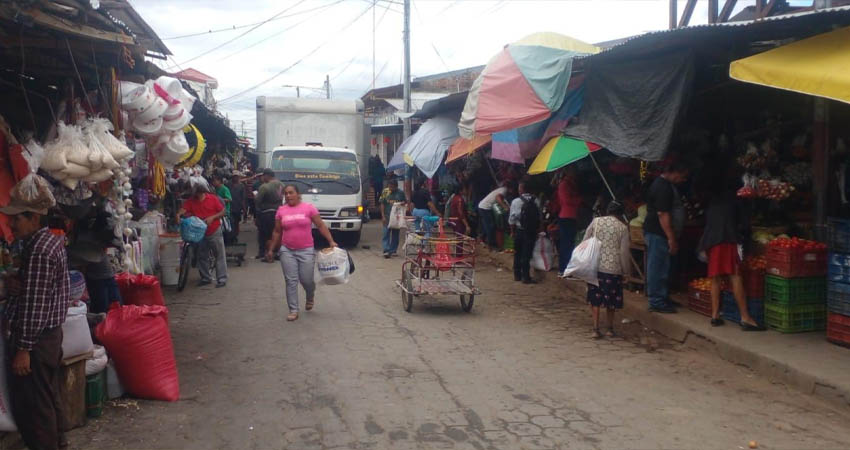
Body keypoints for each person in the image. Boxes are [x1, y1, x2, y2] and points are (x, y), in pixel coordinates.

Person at [2, 202, 70, 450]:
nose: (11, 224)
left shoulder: (40, 250)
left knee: (35, 407)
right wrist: (16, 281)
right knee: (47, 396)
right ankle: (59, 442)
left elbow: (35, 305)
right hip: (47, 337)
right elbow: (37, 291)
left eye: (17, 219)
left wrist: (23, 349)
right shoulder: (46, 243)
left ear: (33, 219)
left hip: (37, 340)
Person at [700, 179, 766, 331]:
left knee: (715, 278)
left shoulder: (714, 201)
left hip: (711, 241)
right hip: (727, 240)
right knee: (735, 276)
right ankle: (745, 317)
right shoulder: (737, 201)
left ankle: (715, 315)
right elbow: (744, 226)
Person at [266, 184, 338, 322]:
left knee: (306, 280)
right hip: (287, 250)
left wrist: (331, 241)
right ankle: (293, 310)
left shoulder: (308, 208)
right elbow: (277, 231)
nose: (288, 196)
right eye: (285, 193)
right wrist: (271, 249)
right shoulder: (281, 211)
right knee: (291, 280)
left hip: (306, 250)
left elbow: (320, 225)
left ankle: (310, 295)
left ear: (298, 194)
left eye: (291, 193)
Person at [643, 162, 689, 313]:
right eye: (682, 176)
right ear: (673, 171)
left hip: (660, 233)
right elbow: (662, 213)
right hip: (658, 233)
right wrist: (671, 237)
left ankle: (662, 297)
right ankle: (656, 300)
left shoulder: (665, 185)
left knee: (664, 267)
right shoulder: (662, 187)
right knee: (657, 267)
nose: (683, 179)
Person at [582, 201, 631, 339]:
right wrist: (626, 272)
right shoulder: (623, 228)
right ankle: (609, 329)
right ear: (621, 214)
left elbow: (585, 239)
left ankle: (595, 329)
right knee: (611, 301)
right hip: (613, 269)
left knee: (595, 299)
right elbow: (624, 253)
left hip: (595, 267)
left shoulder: (596, 222)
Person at [178, 181, 228, 288]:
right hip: (199, 233)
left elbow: (223, 211)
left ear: (203, 192)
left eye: (199, 194)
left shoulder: (213, 199)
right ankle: (206, 277)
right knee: (201, 255)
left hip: (214, 230)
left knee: (219, 254)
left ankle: (222, 278)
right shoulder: (191, 201)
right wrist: (179, 215)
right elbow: (183, 210)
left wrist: (213, 217)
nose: (197, 196)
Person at [508, 181, 540, 284]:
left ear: (522, 189)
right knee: (527, 254)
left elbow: (512, 219)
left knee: (518, 252)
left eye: (519, 187)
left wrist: (512, 231)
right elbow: (539, 217)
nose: (518, 189)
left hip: (519, 230)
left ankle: (517, 275)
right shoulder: (536, 201)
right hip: (531, 231)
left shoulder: (516, 201)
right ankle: (526, 276)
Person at [254, 169, 284, 260]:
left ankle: (265, 253)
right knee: (277, 233)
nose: (262, 178)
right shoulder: (282, 185)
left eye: (263, 176)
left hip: (266, 213)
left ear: (267, 176)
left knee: (264, 235)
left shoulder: (264, 187)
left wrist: (255, 196)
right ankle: (277, 253)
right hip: (279, 213)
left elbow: (258, 201)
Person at [556, 167, 582, 273]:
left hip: (571, 216)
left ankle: (568, 267)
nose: (575, 172)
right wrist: (579, 200)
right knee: (566, 244)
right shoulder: (564, 184)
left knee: (570, 244)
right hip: (567, 216)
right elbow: (566, 200)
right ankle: (563, 268)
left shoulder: (571, 183)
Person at [477, 183, 511, 249]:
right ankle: (491, 244)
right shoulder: (504, 190)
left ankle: (482, 238)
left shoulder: (502, 189)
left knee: (487, 224)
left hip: (483, 206)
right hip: (485, 207)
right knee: (490, 226)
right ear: (510, 188)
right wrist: (505, 207)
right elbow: (498, 198)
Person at [380, 179, 406, 258]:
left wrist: (402, 203)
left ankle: (393, 250)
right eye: (389, 186)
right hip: (387, 217)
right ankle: (386, 250)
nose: (390, 188)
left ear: (396, 187)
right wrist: (383, 216)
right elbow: (382, 204)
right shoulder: (385, 192)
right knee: (385, 233)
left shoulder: (400, 193)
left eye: (392, 187)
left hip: (396, 217)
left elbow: (405, 202)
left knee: (395, 234)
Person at [211, 174, 233, 243]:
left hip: (225, 212)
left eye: (215, 181)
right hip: (218, 212)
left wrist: (219, 200)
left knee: (225, 228)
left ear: (220, 181)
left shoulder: (224, 189)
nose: (213, 183)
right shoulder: (215, 189)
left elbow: (229, 199)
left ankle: (227, 242)